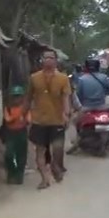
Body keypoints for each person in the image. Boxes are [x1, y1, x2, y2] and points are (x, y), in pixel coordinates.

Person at [24, 48, 72, 190]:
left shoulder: (63, 78)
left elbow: (66, 98)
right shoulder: (34, 78)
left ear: (56, 61)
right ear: (42, 61)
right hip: (39, 120)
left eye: (51, 57)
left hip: (57, 120)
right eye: (46, 58)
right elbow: (28, 98)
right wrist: (24, 115)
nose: (48, 60)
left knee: (57, 149)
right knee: (39, 151)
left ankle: (55, 167)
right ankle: (44, 179)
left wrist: (67, 114)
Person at [67, 58, 109, 154]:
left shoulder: (81, 79)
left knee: (75, 121)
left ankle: (77, 141)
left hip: (86, 108)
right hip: (102, 106)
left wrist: (77, 107)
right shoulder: (104, 77)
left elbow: (78, 94)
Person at [3, 85, 30, 185]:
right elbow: (7, 119)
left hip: (21, 132)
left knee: (21, 155)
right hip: (11, 133)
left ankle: (19, 175)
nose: (16, 98)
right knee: (9, 154)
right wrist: (19, 116)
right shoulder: (8, 108)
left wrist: (23, 118)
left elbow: (29, 119)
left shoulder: (25, 108)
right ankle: (11, 173)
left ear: (22, 97)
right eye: (14, 96)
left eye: (18, 96)